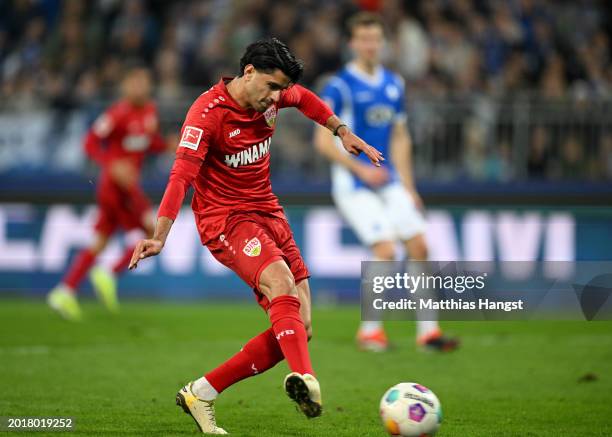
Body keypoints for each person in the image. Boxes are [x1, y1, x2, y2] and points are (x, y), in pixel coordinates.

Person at [128, 38, 383, 434]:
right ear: (248, 73)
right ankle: (307, 379)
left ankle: (202, 392)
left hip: (268, 210)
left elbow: (305, 99)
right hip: (225, 220)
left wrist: (341, 131)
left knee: (300, 326)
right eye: (272, 87)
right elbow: (181, 176)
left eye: (281, 89)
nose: (277, 97)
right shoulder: (206, 114)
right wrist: (159, 236)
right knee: (280, 283)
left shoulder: (273, 95)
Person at [314, 12, 459, 353]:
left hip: (389, 179)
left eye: (375, 39)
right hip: (354, 183)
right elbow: (322, 143)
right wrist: (361, 170)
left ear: (382, 42)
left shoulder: (394, 83)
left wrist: (409, 185)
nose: (370, 45)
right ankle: (370, 332)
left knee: (420, 245)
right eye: (364, 39)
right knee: (385, 250)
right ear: (353, 43)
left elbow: (399, 136)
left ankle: (429, 332)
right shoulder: (339, 86)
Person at [47, 66, 171, 321]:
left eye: (144, 82)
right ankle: (108, 273)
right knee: (152, 230)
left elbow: (146, 142)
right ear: (126, 86)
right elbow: (89, 142)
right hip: (116, 187)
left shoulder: (149, 112)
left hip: (127, 187)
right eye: (135, 83)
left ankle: (65, 290)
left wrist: (166, 144)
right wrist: (110, 164)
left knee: (101, 240)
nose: (140, 88)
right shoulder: (117, 114)